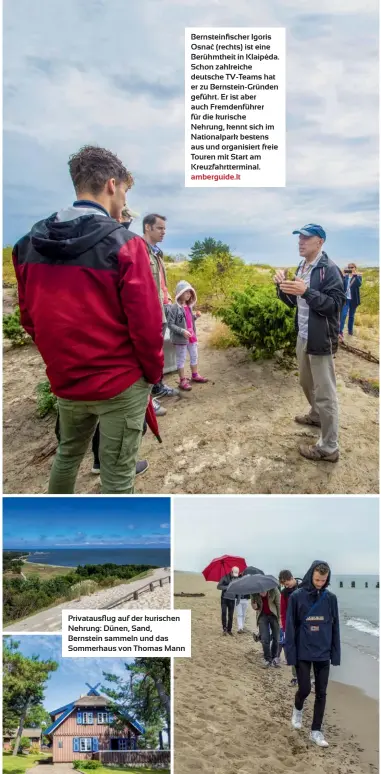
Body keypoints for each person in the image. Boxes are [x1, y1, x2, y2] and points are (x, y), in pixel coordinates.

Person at [13, 145, 163, 494]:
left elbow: (29, 317)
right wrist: (151, 375)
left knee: (67, 455)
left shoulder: (26, 245)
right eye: (125, 191)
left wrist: (61, 360)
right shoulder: (126, 245)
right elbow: (146, 325)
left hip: (67, 379)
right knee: (118, 475)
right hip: (120, 381)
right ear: (112, 185)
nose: (124, 201)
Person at [274, 224, 345, 463]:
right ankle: (316, 415)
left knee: (325, 393)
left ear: (320, 242)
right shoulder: (302, 267)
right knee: (306, 382)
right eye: (299, 238)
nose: (301, 242)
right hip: (303, 335)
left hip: (321, 339)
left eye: (307, 238)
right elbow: (294, 303)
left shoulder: (329, 269)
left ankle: (329, 447)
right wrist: (281, 287)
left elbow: (334, 306)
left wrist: (306, 292)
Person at [285, 560, 341, 748]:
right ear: (311, 575)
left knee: (322, 693)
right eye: (317, 579)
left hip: (323, 652)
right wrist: (290, 654)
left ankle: (316, 731)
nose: (320, 583)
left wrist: (335, 653)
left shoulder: (331, 598)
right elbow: (290, 626)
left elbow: (335, 627)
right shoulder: (297, 597)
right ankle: (298, 708)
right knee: (305, 689)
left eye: (324, 580)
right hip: (303, 650)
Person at [143, 213, 179, 399]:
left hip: (163, 308)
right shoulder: (140, 251)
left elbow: (161, 282)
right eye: (160, 228)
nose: (164, 232)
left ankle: (157, 386)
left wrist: (169, 300)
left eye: (165, 228)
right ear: (148, 228)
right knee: (148, 351)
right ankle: (147, 395)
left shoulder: (157, 252)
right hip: (149, 311)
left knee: (158, 351)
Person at [167, 280, 208, 391]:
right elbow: (170, 324)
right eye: (186, 292)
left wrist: (196, 317)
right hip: (181, 338)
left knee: (194, 355)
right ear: (180, 293)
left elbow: (188, 321)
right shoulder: (174, 308)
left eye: (190, 292)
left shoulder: (189, 306)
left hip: (191, 336)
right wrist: (182, 331)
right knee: (181, 358)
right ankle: (182, 380)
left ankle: (195, 375)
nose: (189, 294)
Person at [279, 570, 302, 685]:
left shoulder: (303, 587)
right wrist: (284, 628)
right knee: (294, 651)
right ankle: (295, 677)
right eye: (284, 585)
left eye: (287, 584)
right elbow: (283, 612)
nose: (286, 586)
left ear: (291, 578)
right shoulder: (284, 593)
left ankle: (312, 678)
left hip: (304, 625)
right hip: (291, 626)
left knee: (309, 651)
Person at [251, 586, 281, 668]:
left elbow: (279, 604)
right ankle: (267, 659)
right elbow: (255, 608)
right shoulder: (254, 593)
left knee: (276, 638)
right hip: (262, 615)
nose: (262, 593)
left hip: (273, 615)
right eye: (260, 592)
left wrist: (280, 619)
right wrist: (254, 605)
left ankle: (274, 657)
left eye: (264, 591)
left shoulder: (274, 590)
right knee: (265, 639)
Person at [340, 262, 363, 339]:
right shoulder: (345, 277)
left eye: (352, 267)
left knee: (351, 316)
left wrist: (355, 275)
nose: (350, 269)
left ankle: (350, 331)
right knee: (343, 315)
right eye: (349, 267)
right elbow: (341, 285)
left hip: (353, 300)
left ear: (355, 268)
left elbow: (359, 284)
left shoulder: (358, 276)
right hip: (346, 299)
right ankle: (340, 332)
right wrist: (342, 275)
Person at [217, 566, 239, 636]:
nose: (235, 576)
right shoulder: (225, 577)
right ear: (231, 572)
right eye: (234, 574)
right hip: (224, 598)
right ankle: (224, 629)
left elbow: (239, 589)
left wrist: (238, 598)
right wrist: (227, 587)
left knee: (231, 615)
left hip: (232, 599)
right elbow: (218, 586)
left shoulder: (237, 579)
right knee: (224, 613)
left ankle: (229, 629)